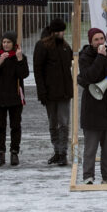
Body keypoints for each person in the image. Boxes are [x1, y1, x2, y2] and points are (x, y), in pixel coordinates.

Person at [78, 27, 107, 185]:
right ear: (91, 42)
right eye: (96, 39)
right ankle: (88, 176)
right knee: (91, 147)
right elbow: (90, 76)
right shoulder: (85, 57)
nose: (100, 42)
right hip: (92, 107)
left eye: (102, 38)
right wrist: (100, 57)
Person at [0, 30, 29, 167]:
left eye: (8, 42)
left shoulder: (19, 56)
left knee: (15, 126)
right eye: (4, 42)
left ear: (14, 43)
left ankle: (14, 152)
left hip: (15, 97)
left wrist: (20, 59)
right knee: (0, 126)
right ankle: (0, 152)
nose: (6, 44)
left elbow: (24, 74)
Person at [33, 19, 73, 166]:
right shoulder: (42, 46)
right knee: (53, 123)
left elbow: (69, 65)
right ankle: (57, 150)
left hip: (64, 92)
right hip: (50, 92)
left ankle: (62, 152)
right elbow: (38, 70)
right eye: (60, 31)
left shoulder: (65, 46)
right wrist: (42, 92)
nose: (62, 34)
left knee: (63, 123)